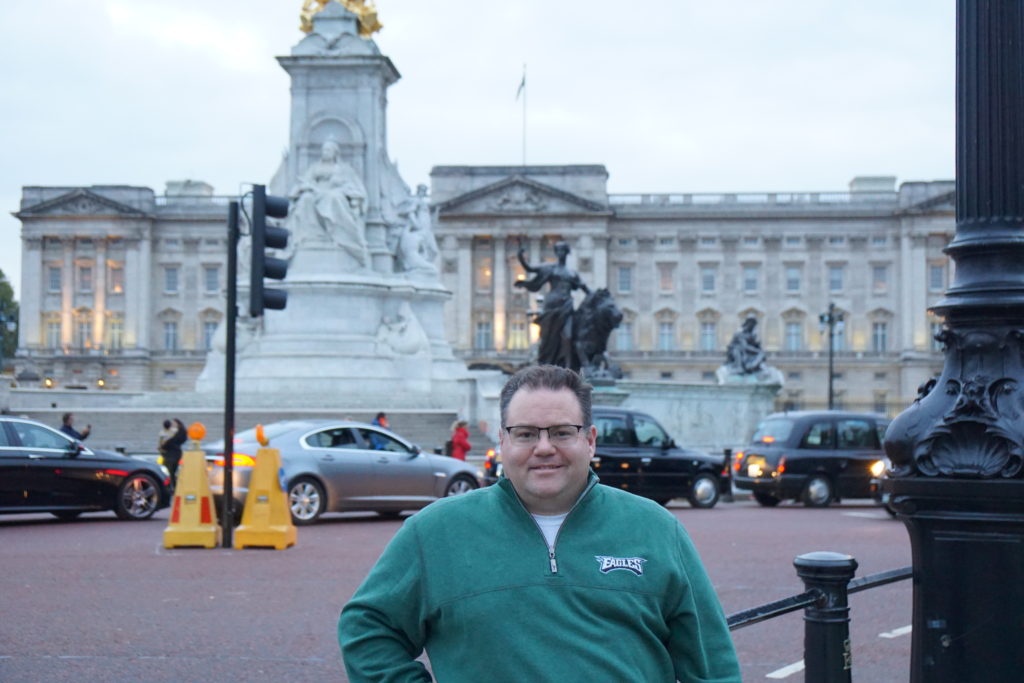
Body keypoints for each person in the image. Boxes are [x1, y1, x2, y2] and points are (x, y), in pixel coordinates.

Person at [339, 365, 741, 682]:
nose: (544, 448)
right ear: (503, 441)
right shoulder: (434, 532)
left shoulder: (655, 528)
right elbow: (367, 629)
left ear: (591, 440)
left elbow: (711, 664)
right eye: (526, 433)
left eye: (562, 432)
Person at [286, 139, 370, 267]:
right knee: (305, 199)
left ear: (335, 153)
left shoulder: (342, 168)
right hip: (316, 192)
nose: (325, 152)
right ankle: (311, 235)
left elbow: (352, 185)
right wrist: (307, 187)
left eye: (328, 150)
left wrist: (341, 186)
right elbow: (305, 181)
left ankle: (338, 233)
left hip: (336, 192)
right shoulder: (315, 167)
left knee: (333, 198)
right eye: (324, 150)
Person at [515, 241, 590, 370]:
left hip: (566, 305)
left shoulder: (572, 273)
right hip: (552, 305)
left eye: (563, 250)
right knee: (548, 336)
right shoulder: (550, 268)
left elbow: (585, 289)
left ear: (567, 253)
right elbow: (530, 268)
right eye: (558, 250)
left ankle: (568, 366)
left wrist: (599, 298)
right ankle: (547, 363)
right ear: (556, 253)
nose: (561, 253)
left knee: (568, 335)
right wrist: (521, 256)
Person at [158, 418, 187, 484]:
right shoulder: (175, 432)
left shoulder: (163, 433)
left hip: (170, 455)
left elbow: (162, 443)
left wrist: (161, 448)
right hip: (174, 454)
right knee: (171, 472)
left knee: (168, 471)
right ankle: (172, 486)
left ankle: (171, 486)